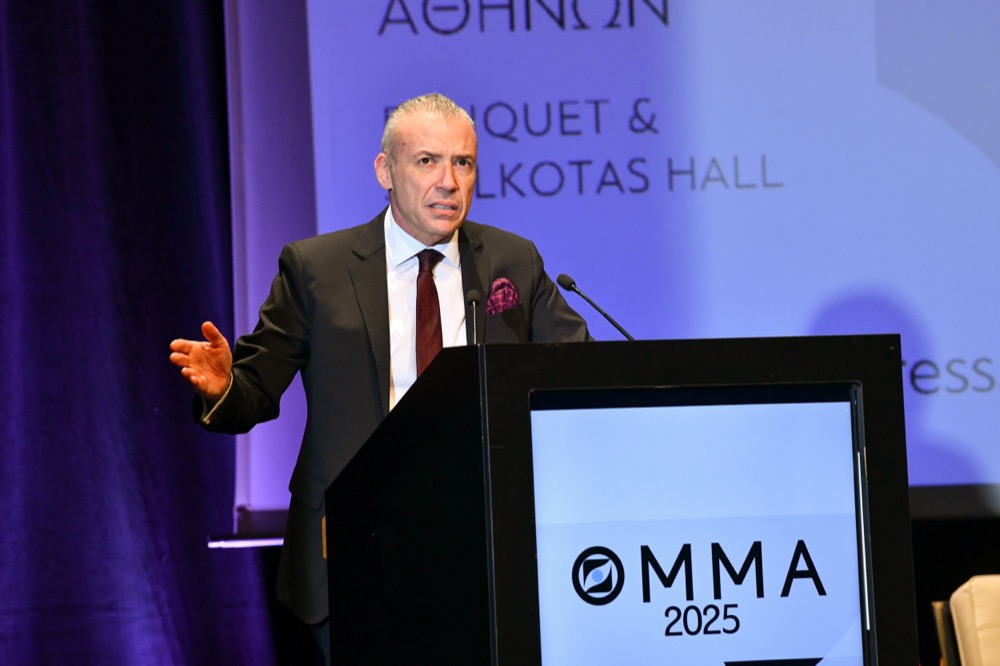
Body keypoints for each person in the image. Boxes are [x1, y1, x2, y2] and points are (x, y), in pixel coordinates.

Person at [168, 92, 590, 648]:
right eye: (427, 161)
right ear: (385, 171)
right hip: (352, 548)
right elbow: (256, 389)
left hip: (483, 544)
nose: (449, 182)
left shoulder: (513, 261)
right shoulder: (316, 269)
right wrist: (226, 385)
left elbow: (576, 372)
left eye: (463, 162)